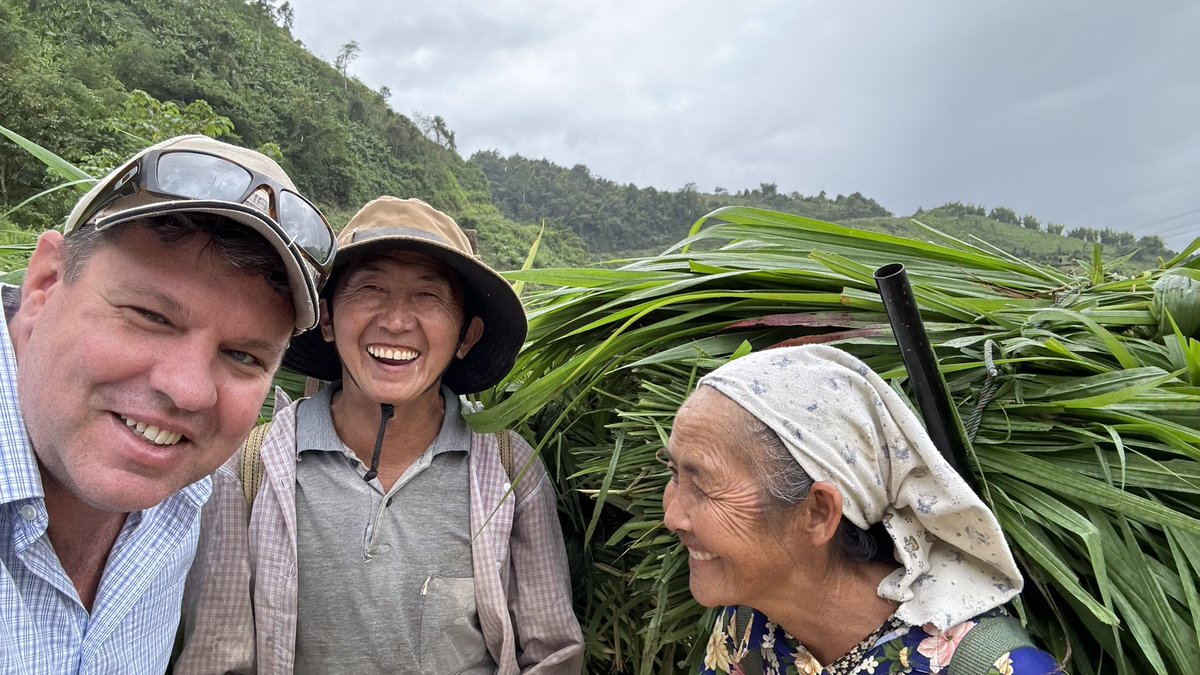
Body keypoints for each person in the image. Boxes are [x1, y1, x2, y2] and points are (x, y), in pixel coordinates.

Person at [177, 196, 584, 674]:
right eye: (369, 289)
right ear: (327, 320)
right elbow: (218, 659)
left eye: (428, 297)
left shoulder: (510, 472)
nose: (395, 321)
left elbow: (552, 654)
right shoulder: (250, 468)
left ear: (467, 337)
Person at [0, 134, 336, 673]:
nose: (189, 390)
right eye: (151, 316)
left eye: (244, 356)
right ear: (44, 284)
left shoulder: (188, 498)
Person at [663, 344, 1064, 675]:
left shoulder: (993, 668)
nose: (672, 517)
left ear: (818, 513)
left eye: (703, 485)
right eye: (675, 474)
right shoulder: (751, 627)